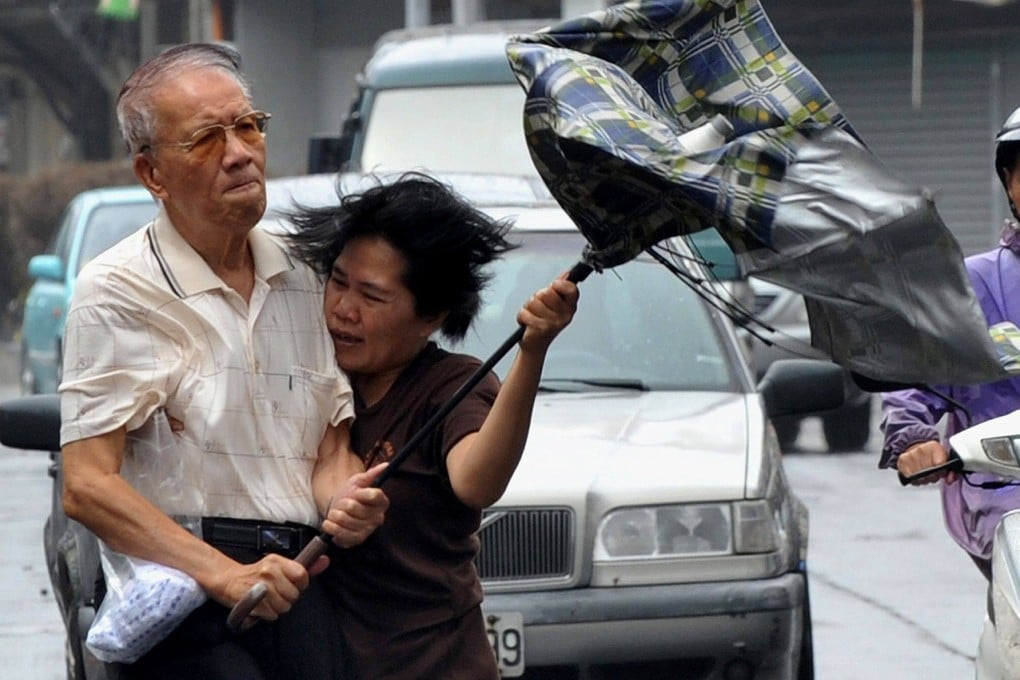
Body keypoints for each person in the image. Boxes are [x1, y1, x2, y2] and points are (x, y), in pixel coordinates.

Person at [58, 43, 387, 679]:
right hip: (184, 599)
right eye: (207, 138)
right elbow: (87, 485)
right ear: (152, 175)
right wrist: (225, 576)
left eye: (247, 126)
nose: (239, 152)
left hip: (298, 582)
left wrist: (347, 495)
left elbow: (324, 448)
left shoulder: (308, 270)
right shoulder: (117, 289)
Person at [284, 173, 580, 679]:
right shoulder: (308, 375)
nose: (343, 310)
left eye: (372, 297)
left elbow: (477, 480)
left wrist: (532, 354)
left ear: (431, 315)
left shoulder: (451, 387)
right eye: (337, 281)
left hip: (436, 664)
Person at [880, 106, 1020, 580]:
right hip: (1005, 505)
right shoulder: (971, 285)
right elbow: (914, 382)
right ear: (1010, 182)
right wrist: (915, 439)